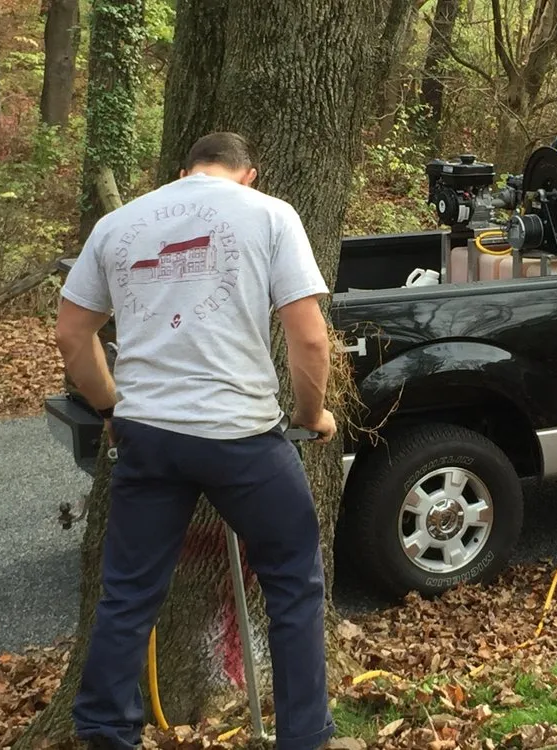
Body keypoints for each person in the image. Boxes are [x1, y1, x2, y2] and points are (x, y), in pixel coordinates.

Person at [54, 132, 337, 750]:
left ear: (184, 172)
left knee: (129, 592)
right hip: (240, 436)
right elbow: (309, 336)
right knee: (293, 581)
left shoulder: (118, 224)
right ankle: (303, 736)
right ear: (249, 174)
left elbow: (73, 333)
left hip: (147, 434)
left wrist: (111, 408)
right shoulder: (270, 215)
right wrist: (312, 413)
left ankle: (104, 730)